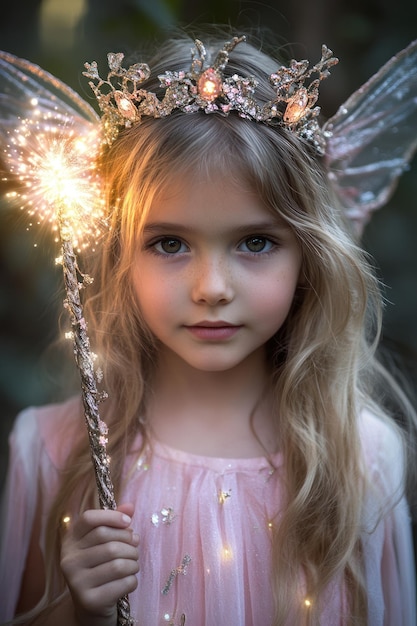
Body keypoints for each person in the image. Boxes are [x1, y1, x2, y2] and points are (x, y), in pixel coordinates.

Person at [0, 29, 416, 626]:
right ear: (121, 254)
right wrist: (75, 612)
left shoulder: (363, 460)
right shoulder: (53, 455)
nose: (211, 287)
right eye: (169, 243)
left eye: (255, 242)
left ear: (308, 256)